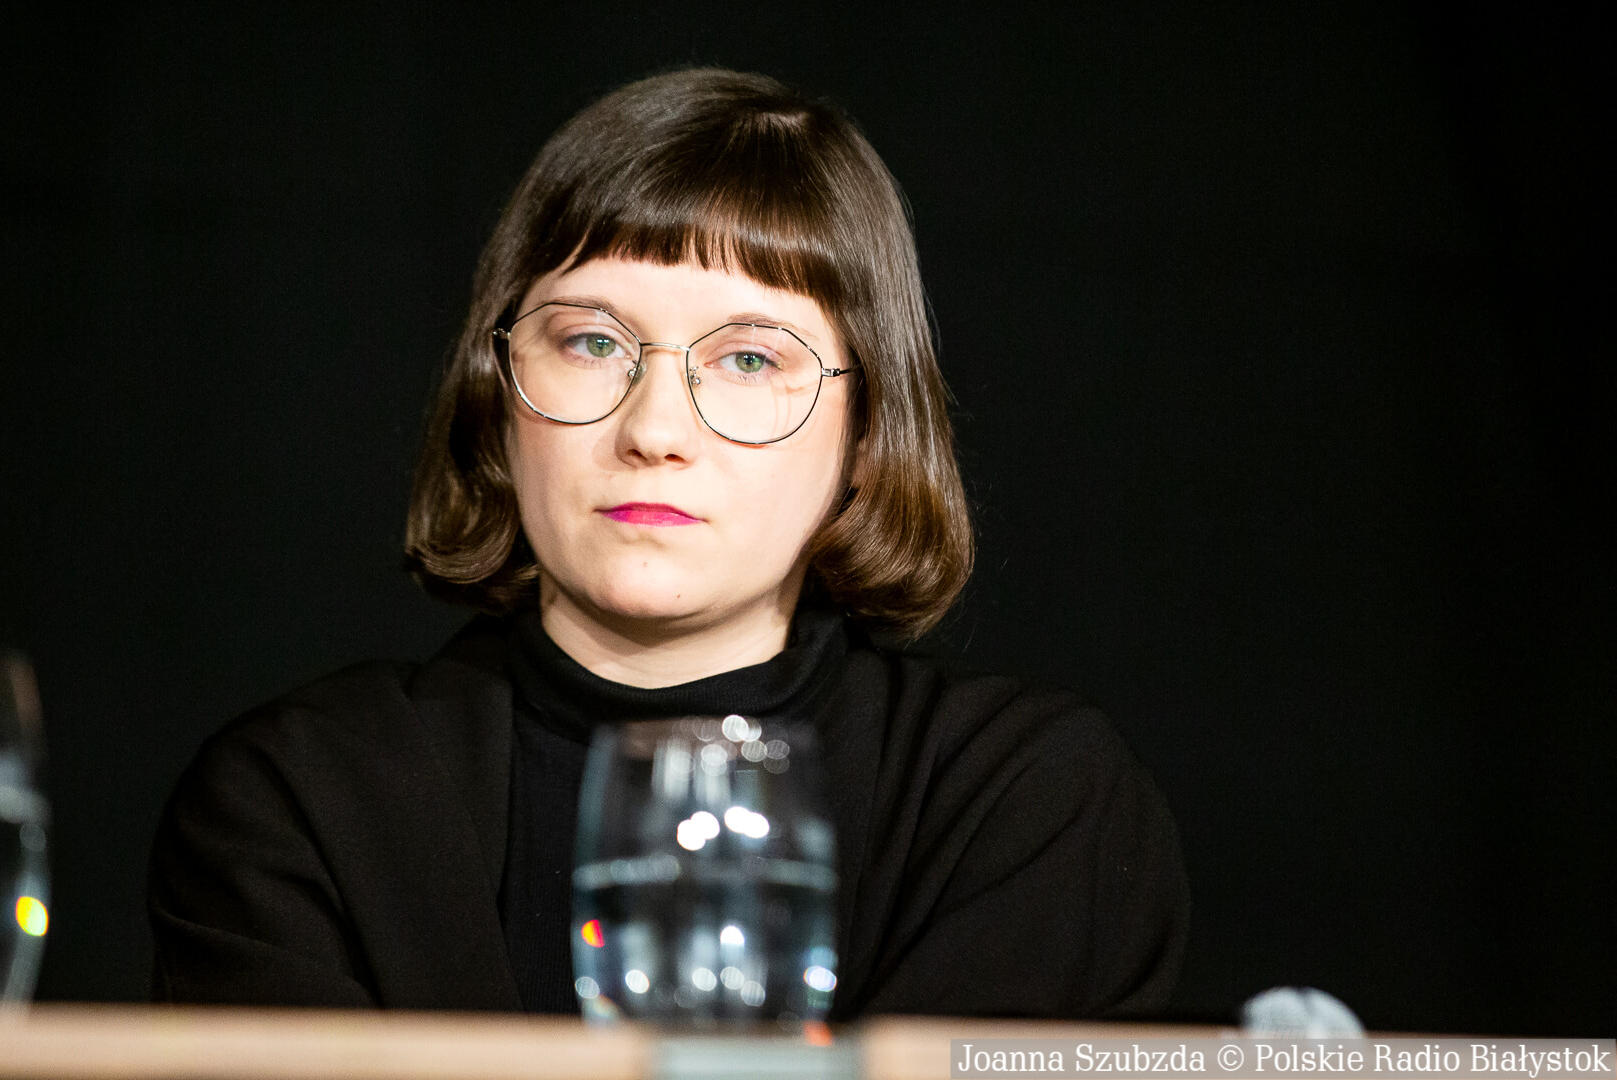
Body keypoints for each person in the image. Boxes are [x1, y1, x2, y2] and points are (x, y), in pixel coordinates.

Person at [148, 68, 1188, 1020]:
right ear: (497, 395)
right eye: (593, 342)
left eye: (749, 359)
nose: (654, 431)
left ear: (867, 432)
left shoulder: (1027, 801)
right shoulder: (301, 799)